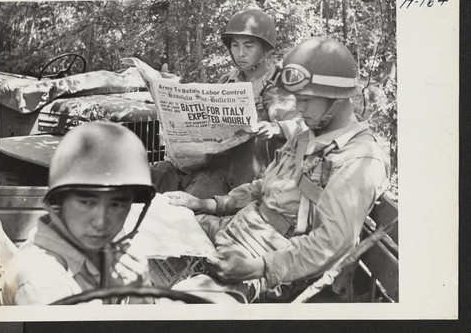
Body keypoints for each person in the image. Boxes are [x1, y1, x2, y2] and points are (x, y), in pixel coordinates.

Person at [165, 37, 389, 303]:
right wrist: (206, 204)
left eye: (305, 99)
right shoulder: (307, 135)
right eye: (297, 98)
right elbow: (263, 187)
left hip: (269, 263)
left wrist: (258, 268)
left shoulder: (359, 158)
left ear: (337, 98)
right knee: (153, 229)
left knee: (176, 303)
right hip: (239, 231)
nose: (298, 108)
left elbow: (331, 244)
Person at [152, 8, 305, 198]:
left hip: (239, 179)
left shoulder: (276, 86)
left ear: (265, 49)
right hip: (204, 166)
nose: (240, 53)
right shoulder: (226, 82)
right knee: (148, 178)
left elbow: (303, 127)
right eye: (235, 46)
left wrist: (277, 128)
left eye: (249, 46)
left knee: (188, 204)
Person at [1, 122, 156, 305]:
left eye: (116, 204)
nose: (101, 222)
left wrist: (142, 291)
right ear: (59, 200)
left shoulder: (104, 246)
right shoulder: (42, 281)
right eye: (86, 202)